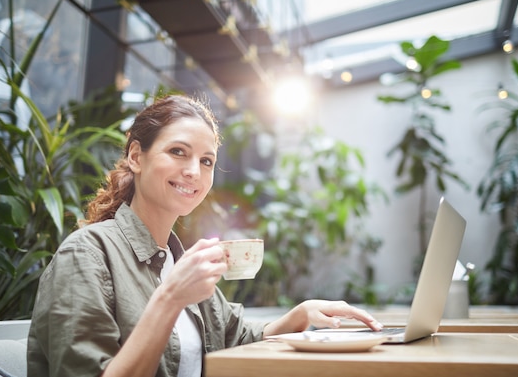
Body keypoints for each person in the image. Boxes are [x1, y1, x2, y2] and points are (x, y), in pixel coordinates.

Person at [26, 95, 383, 377]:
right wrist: (170, 298)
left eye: (207, 161)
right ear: (136, 156)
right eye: (178, 152)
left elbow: (235, 336)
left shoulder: (179, 261)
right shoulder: (87, 255)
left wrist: (301, 314)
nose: (194, 172)